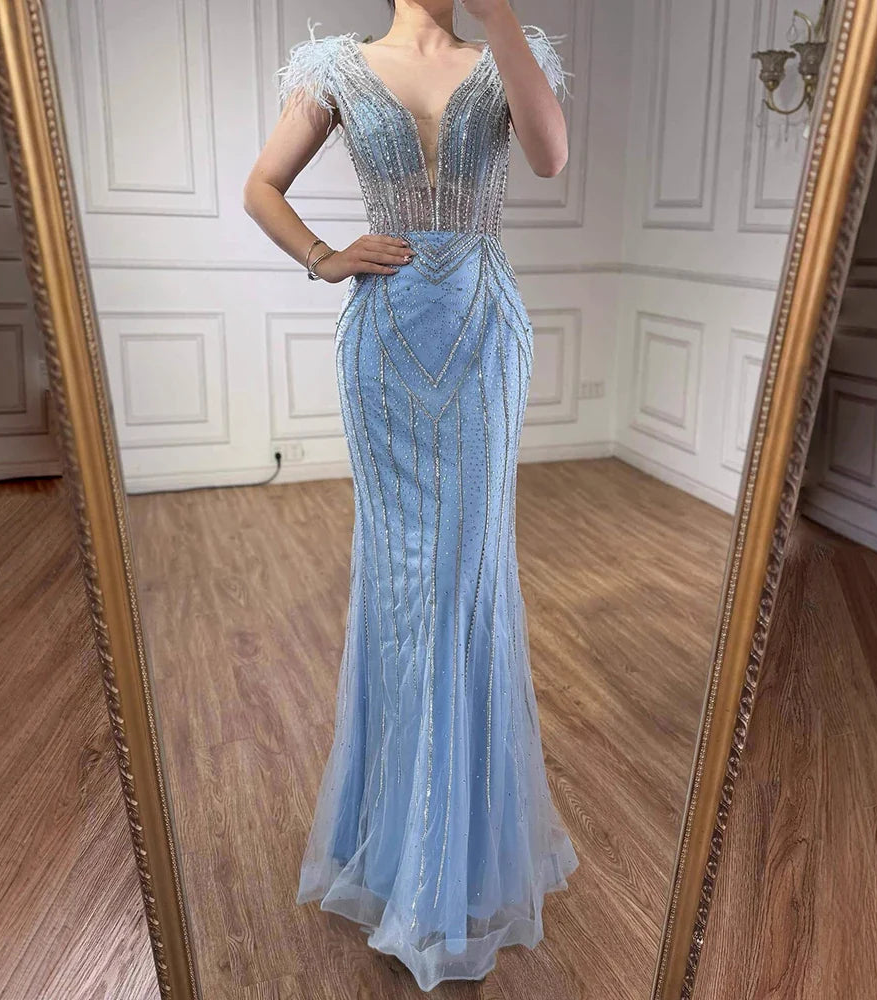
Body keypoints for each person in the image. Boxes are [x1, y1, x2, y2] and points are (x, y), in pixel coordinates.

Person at [242, 0, 578, 989]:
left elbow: (550, 158)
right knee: (400, 585)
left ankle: (455, 855)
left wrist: (500, 17)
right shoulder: (336, 67)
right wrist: (323, 257)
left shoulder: (504, 53)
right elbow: (261, 186)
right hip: (383, 343)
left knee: (465, 584)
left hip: (484, 336)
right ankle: (395, 845)